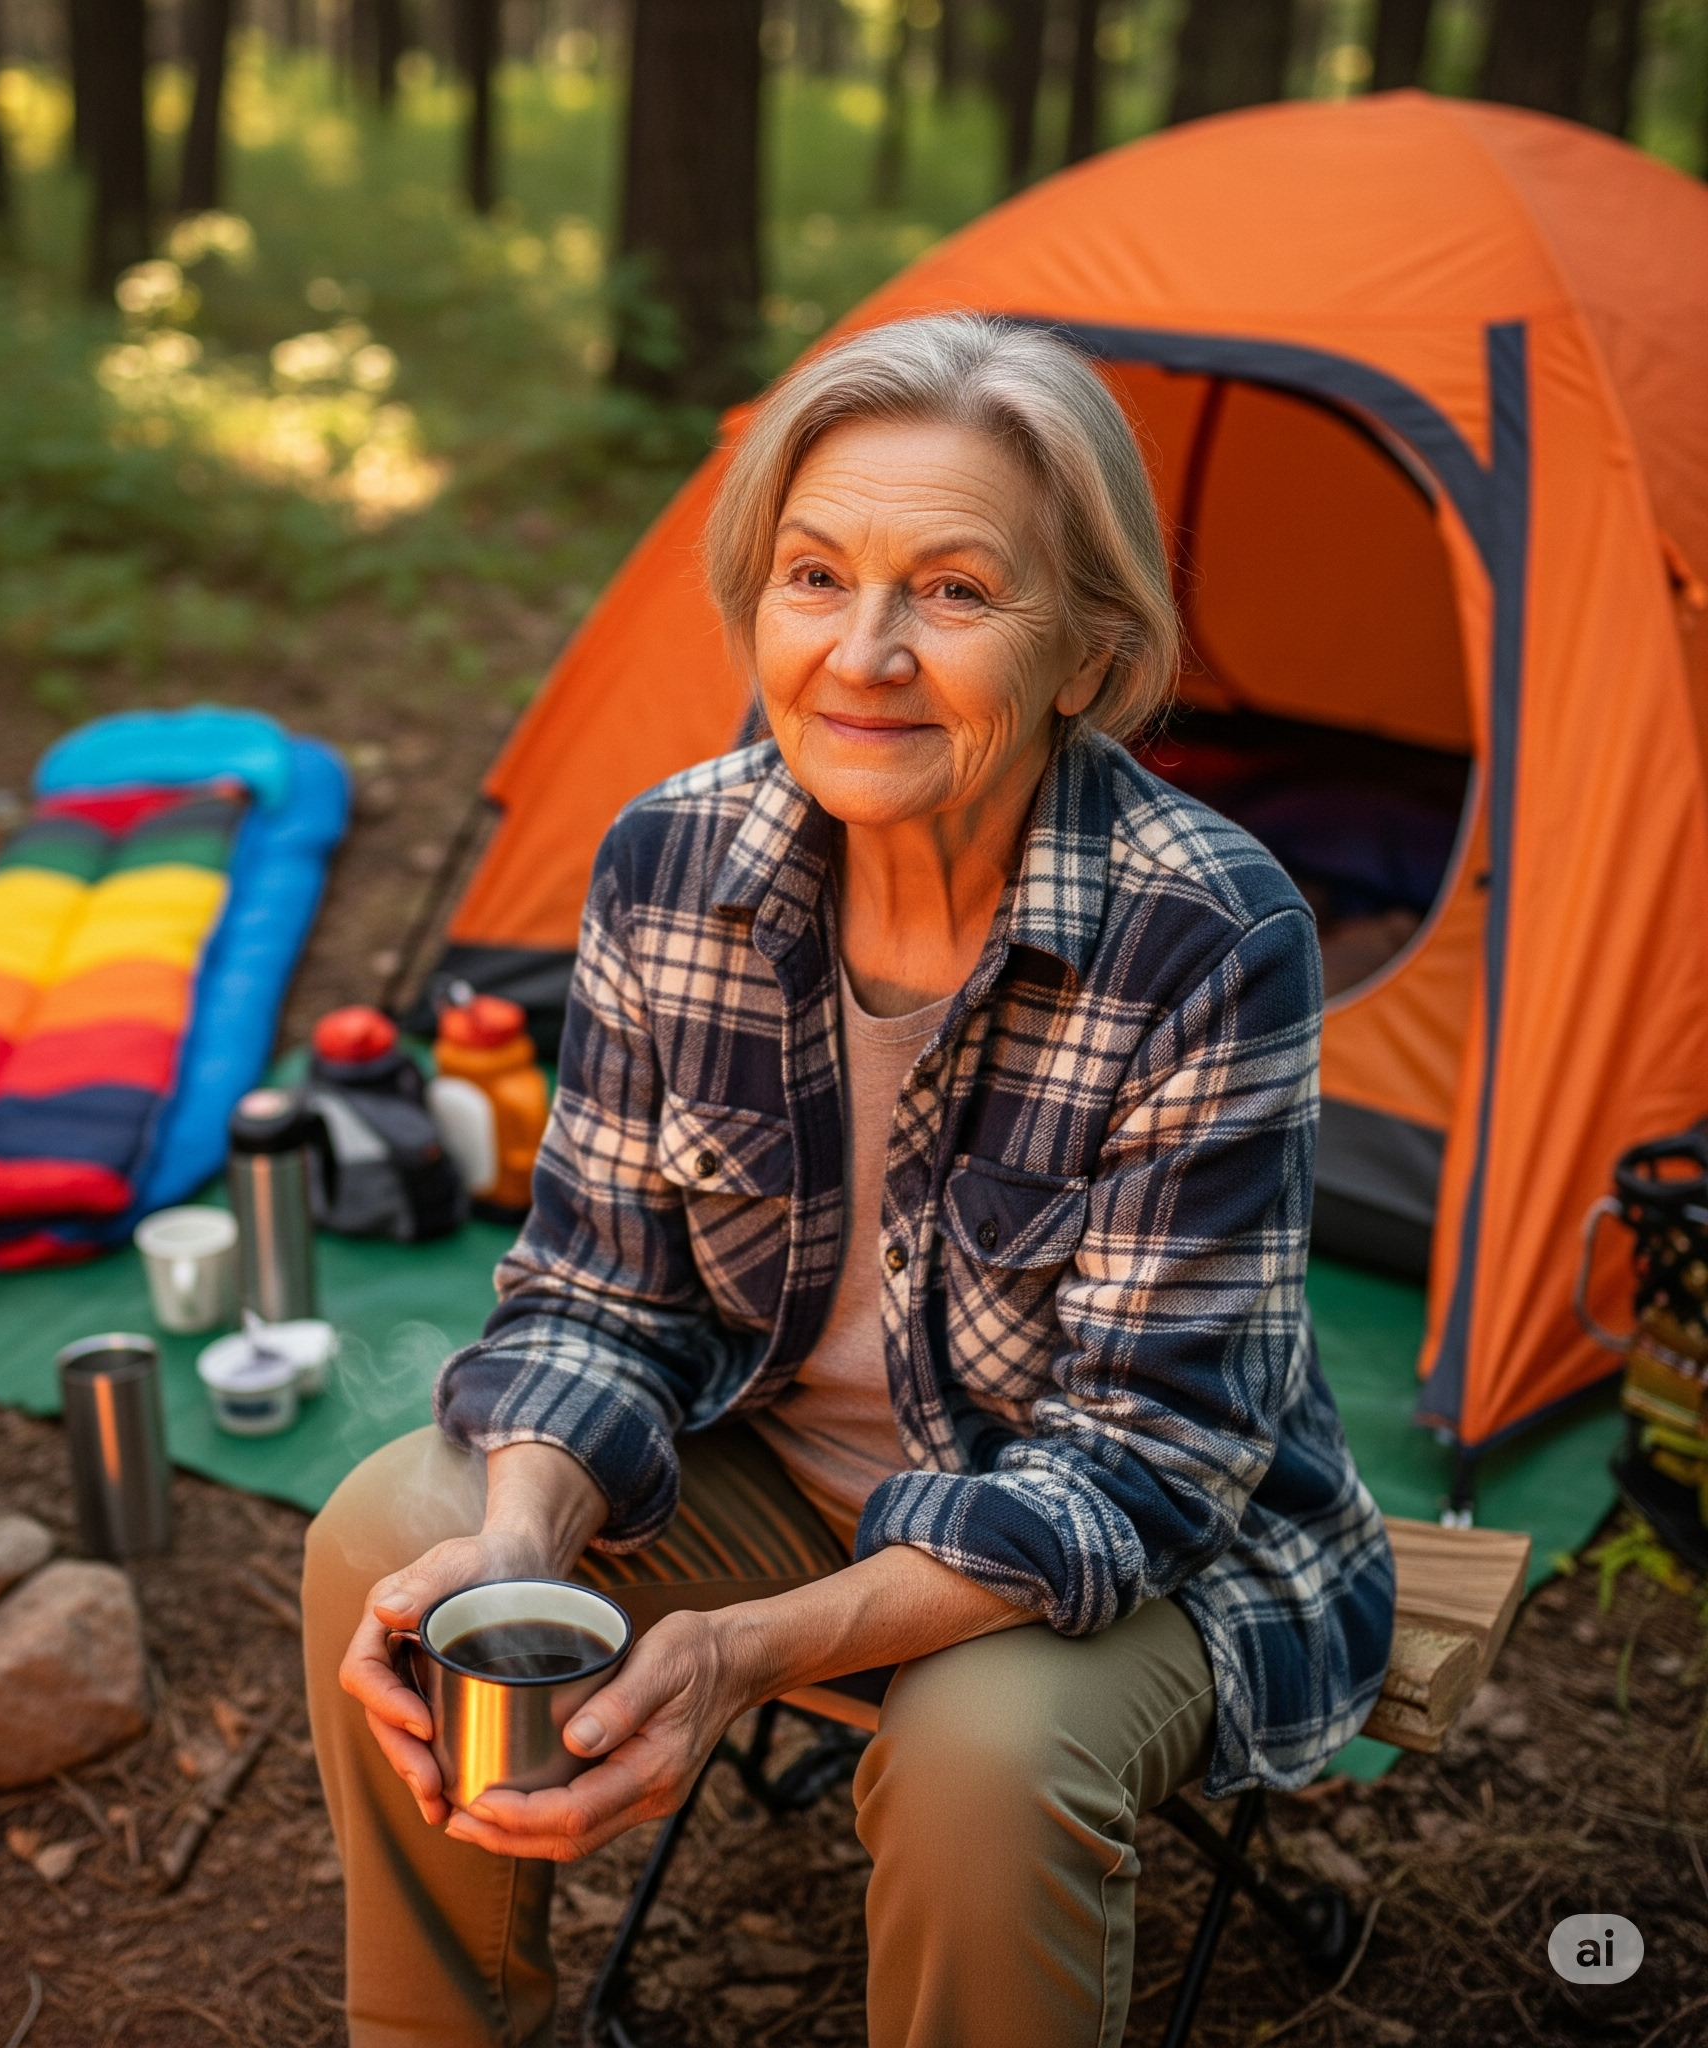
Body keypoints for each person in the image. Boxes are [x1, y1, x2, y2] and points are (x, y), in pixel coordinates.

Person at [302, 313, 1395, 2048]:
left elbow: (1144, 1469)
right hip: (775, 1474)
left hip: (1130, 1552)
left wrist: (746, 1652)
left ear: (1088, 649)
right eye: (815, 577)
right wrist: (517, 1553)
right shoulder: (670, 859)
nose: (863, 654)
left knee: (982, 1755)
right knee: (399, 1532)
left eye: (955, 593)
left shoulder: (1212, 930)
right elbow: (600, 1293)